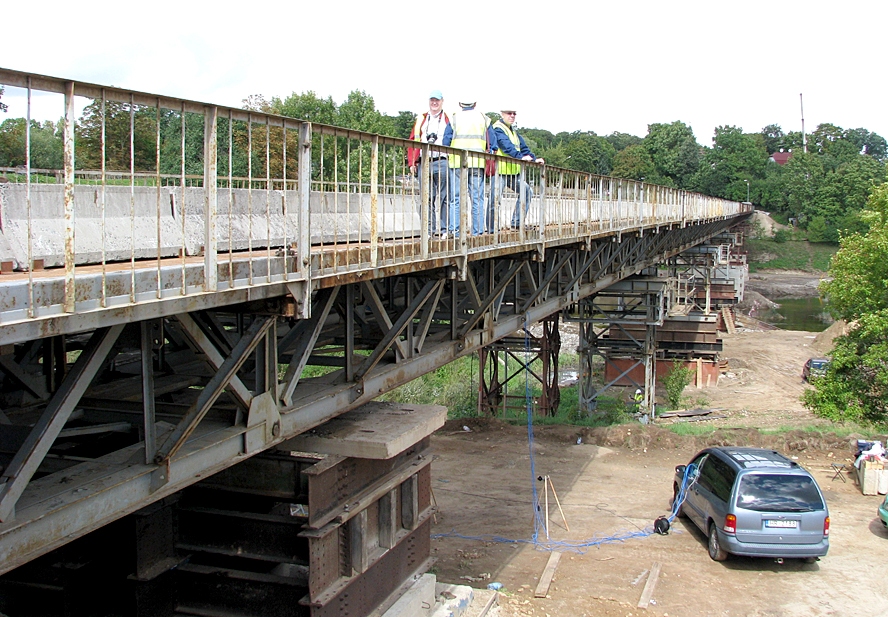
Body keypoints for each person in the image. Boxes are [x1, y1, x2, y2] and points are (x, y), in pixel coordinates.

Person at [442, 101, 495, 237]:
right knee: (477, 199)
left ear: (460, 104)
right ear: (475, 104)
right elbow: (493, 144)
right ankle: (477, 232)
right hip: (477, 162)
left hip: (457, 163)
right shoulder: (483, 118)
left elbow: (445, 141)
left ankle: (455, 231)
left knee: (456, 198)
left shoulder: (455, 118)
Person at [489, 107, 544, 231]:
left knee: (527, 191)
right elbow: (506, 146)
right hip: (499, 170)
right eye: (509, 113)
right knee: (494, 200)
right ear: (502, 114)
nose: (512, 115)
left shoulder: (513, 131)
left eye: (514, 113)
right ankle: (492, 230)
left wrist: (534, 159)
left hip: (512, 171)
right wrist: (521, 157)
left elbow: (523, 148)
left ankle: (517, 222)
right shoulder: (498, 128)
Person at [407, 90, 450, 237]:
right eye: (432, 100)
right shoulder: (422, 119)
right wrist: (412, 162)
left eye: (437, 100)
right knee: (426, 198)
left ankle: (445, 230)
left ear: (442, 101)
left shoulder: (447, 119)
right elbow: (413, 140)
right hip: (425, 162)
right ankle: (428, 230)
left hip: (443, 161)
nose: (434, 103)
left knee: (445, 197)